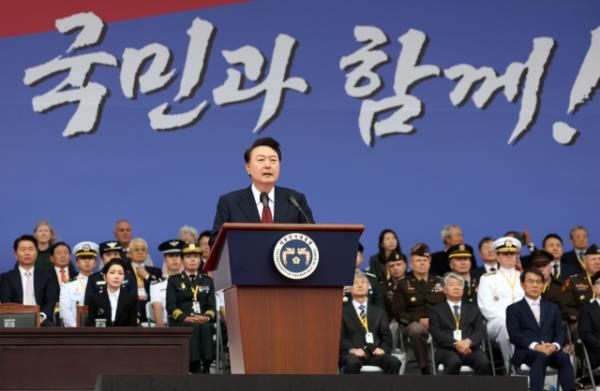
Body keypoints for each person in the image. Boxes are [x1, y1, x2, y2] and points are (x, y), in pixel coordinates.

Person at [211, 137, 314, 242]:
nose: (268, 165)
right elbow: (216, 243)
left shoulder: (295, 200)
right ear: (248, 168)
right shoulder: (230, 202)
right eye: (261, 160)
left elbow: (313, 237)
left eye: (273, 160)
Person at [506, 268, 576, 391]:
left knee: (564, 357)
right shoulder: (513, 309)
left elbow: (560, 331)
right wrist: (537, 346)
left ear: (543, 285)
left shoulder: (552, 307)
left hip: (550, 350)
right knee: (541, 356)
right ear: (522, 284)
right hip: (526, 351)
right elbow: (514, 335)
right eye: (530, 281)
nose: (535, 285)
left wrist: (554, 345)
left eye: (538, 282)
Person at [391, 243, 445, 374]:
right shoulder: (403, 284)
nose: (422, 263)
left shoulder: (439, 282)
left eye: (425, 260)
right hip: (411, 323)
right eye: (418, 260)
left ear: (430, 263)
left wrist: (433, 320)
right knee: (416, 330)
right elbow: (398, 312)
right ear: (411, 264)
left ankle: (445, 362)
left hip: (437, 322)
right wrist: (419, 320)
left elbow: (446, 307)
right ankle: (425, 367)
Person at [477, 236, 525, 372]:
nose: (509, 256)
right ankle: (512, 367)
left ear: (517, 256)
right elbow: (485, 307)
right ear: (497, 257)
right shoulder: (487, 279)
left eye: (512, 253)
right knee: (506, 325)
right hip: (496, 323)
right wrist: (511, 318)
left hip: (524, 322)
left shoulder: (526, 277)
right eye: (505, 253)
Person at [166, 242, 216, 374]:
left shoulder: (207, 281)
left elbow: (212, 306)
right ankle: (193, 365)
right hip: (182, 320)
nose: (193, 259)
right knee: (192, 327)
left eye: (196, 256)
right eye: (188, 257)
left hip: (203, 319)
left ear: (201, 260)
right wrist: (186, 317)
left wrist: (206, 317)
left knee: (206, 327)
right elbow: (170, 305)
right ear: (182, 260)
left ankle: (206, 365)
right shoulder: (174, 280)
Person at [339, 270, 401, 374]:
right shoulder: (342, 311)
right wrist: (353, 350)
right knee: (352, 362)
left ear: (369, 287)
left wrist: (383, 349)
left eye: (363, 282)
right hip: (352, 354)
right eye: (356, 283)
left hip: (374, 353)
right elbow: (340, 337)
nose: (360, 285)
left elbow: (386, 336)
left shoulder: (379, 312)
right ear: (349, 289)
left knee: (394, 362)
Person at [428, 272, 491, 375]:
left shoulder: (473, 310)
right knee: (454, 362)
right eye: (452, 285)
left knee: (483, 362)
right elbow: (435, 331)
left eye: (459, 285)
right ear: (444, 289)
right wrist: (456, 344)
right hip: (446, 349)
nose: (456, 287)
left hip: (470, 348)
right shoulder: (436, 310)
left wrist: (468, 342)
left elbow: (480, 330)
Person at [0, 234, 59, 326]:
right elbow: (6, 301)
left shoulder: (47, 277)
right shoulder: (6, 278)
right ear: (15, 254)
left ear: (36, 253)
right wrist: (21, 318)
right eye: (23, 250)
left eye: (31, 249)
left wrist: (41, 316)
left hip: (42, 322)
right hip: (15, 321)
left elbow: (50, 300)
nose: (27, 253)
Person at [87, 258, 138, 327]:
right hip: (101, 336)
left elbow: (133, 324)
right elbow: (91, 323)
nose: (116, 277)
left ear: (124, 277)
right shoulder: (95, 298)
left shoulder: (131, 298)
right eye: (112, 273)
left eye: (120, 273)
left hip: (125, 336)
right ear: (105, 276)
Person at [84, 240, 136, 305]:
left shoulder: (129, 276)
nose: (112, 257)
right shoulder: (93, 278)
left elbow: (134, 302)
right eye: (108, 255)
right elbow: (88, 304)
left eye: (115, 254)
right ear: (102, 258)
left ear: (120, 256)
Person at [60, 241, 99, 327]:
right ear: (77, 263)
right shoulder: (68, 285)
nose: (87, 260)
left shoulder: (103, 283)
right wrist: (77, 330)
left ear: (95, 262)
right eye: (83, 258)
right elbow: (65, 311)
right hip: (75, 331)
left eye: (90, 257)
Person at [561, 244, 600, 323]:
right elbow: (564, 306)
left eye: (599, 259)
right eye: (593, 259)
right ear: (584, 262)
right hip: (583, 325)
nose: (597, 262)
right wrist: (585, 316)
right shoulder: (573, 281)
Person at [150, 239, 184, 327]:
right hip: (168, 328)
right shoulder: (156, 285)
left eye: (177, 255)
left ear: (182, 258)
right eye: (171, 255)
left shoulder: (192, 282)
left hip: (189, 325)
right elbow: (157, 308)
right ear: (165, 259)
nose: (174, 259)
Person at [128, 237, 162, 323]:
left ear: (147, 253)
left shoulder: (156, 271)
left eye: (143, 249)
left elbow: (160, 292)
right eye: (136, 249)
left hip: (152, 312)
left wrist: (147, 276)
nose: (140, 252)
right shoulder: (123, 270)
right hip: (130, 311)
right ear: (129, 253)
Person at [344, 243, 384, 308]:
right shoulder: (338, 280)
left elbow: (379, 306)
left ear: (362, 258)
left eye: (356, 254)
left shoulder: (371, 278)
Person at [578, 271, 600, 369]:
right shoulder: (587, 308)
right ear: (593, 288)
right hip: (597, 352)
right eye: (599, 283)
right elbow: (585, 334)